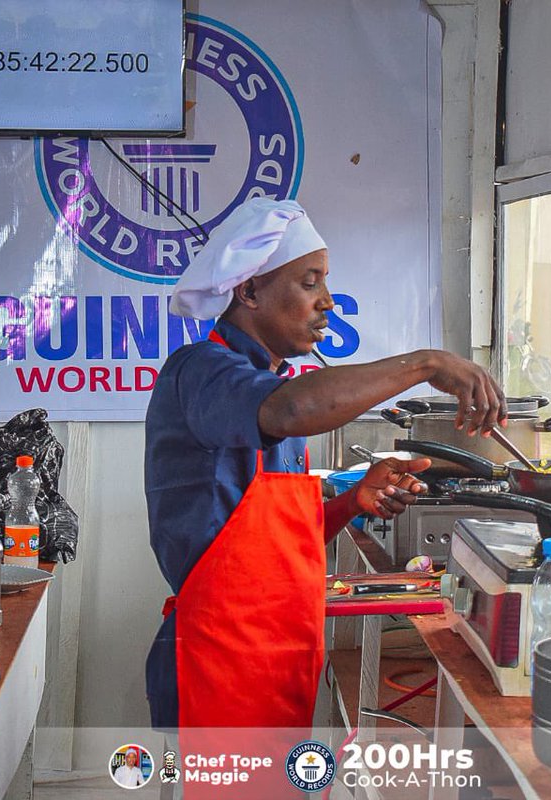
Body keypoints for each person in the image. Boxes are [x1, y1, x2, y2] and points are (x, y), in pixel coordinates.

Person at [144, 198, 507, 735]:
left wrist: (351, 500)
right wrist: (425, 364)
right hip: (218, 657)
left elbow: (269, 542)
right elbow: (294, 409)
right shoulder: (204, 373)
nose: (328, 302)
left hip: (274, 649)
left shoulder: (270, 386)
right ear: (249, 291)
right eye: (310, 282)